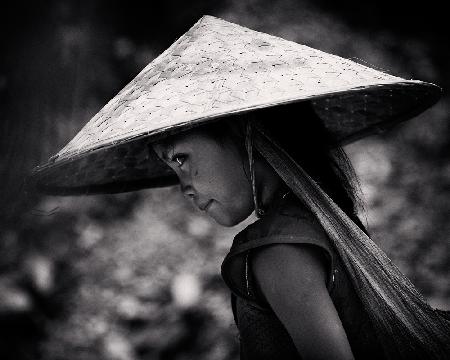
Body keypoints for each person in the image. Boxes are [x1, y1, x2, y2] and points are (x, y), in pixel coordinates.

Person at [30, 15, 449, 359]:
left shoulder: (277, 250)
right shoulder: (319, 227)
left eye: (182, 159)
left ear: (246, 136)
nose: (184, 188)